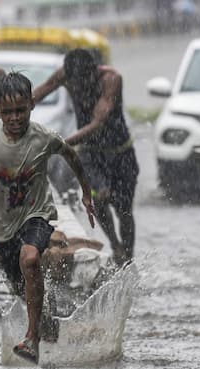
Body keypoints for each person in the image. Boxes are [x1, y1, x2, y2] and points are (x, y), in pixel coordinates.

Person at [0, 72, 96, 364]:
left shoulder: (43, 138)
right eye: (7, 111)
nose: (13, 118)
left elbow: (71, 156)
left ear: (32, 105)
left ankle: (32, 338)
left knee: (31, 259)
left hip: (38, 214)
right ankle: (45, 324)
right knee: (22, 287)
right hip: (1, 226)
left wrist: (86, 193)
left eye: (20, 110)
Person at [32, 49, 139, 265]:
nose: (79, 88)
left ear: (93, 72)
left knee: (123, 210)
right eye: (74, 83)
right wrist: (14, 110)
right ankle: (115, 245)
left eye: (83, 82)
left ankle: (127, 257)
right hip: (90, 154)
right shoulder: (66, 74)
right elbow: (40, 92)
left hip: (120, 153)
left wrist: (61, 143)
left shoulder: (111, 80)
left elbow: (97, 123)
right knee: (97, 199)